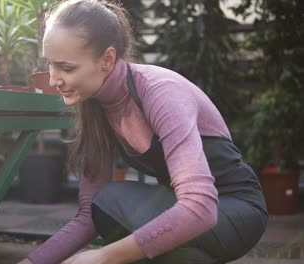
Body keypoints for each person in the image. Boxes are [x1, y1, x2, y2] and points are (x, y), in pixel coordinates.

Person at [18, 0, 268, 263]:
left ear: (107, 59)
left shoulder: (160, 92)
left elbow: (200, 207)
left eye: (66, 68)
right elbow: (86, 219)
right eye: (50, 64)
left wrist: (104, 256)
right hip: (188, 213)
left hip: (235, 210)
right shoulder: (94, 106)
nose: (54, 79)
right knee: (104, 211)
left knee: (113, 200)